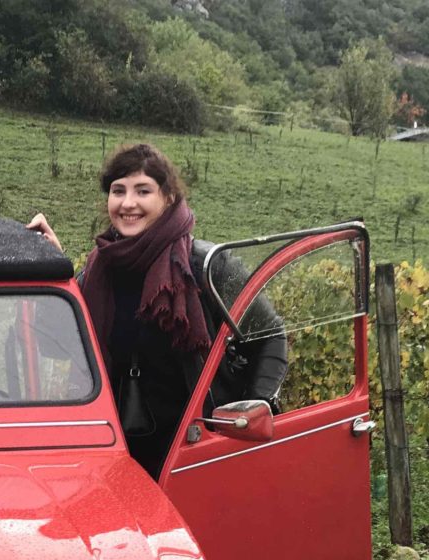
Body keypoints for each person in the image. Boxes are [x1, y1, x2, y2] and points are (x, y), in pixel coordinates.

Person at [26, 142, 286, 477]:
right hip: (117, 452)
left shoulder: (208, 266)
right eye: (118, 191)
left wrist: (253, 411)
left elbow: (271, 336)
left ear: (168, 198)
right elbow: (58, 348)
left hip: (197, 451)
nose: (128, 203)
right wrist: (55, 272)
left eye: (143, 190)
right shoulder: (95, 273)